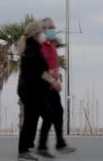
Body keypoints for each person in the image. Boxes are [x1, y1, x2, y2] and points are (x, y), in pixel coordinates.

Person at [17, 21, 61, 161]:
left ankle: (34, 148)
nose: (44, 33)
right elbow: (39, 72)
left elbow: (40, 70)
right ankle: (24, 150)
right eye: (42, 31)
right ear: (36, 34)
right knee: (32, 119)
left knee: (42, 117)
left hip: (34, 90)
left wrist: (52, 75)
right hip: (30, 91)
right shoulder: (31, 50)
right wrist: (53, 81)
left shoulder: (34, 47)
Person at [37, 17, 76, 157]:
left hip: (53, 87)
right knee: (49, 116)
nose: (54, 29)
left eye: (54, 27)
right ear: (43, 30)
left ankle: (59, 143)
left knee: (58, 113)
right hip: (43, 88)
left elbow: (52, 64)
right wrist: (51, 77)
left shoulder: (52, 44)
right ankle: (43, 146)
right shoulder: (39, 47)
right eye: (50, 27)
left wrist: (57, 74)